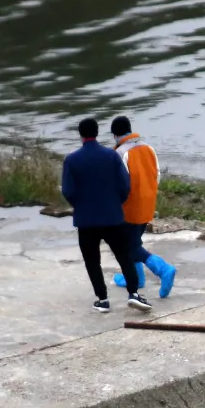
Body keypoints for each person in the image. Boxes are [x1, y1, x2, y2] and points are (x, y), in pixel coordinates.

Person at [61, 118, 152, 313]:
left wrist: (80, 205)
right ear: (97, 132)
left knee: (92, 260)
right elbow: (124, 185)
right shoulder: (111, 156)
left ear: (81, 135)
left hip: (86, 220)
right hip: (113, 216)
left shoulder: (72, 160)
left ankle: (102, 299)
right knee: (124, 254)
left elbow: (68, 191)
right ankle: (134, 293)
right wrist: (115, 203)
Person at [109, 115, 176, 298]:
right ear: (130, 130)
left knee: (128, 247)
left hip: (129, 208)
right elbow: (158, 175)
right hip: (147, 204)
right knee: (133, 242)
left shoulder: (120, 153)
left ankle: (163, 270)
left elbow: (121, 184)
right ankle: (136, 279)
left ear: (115, 134)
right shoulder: (149, 148)